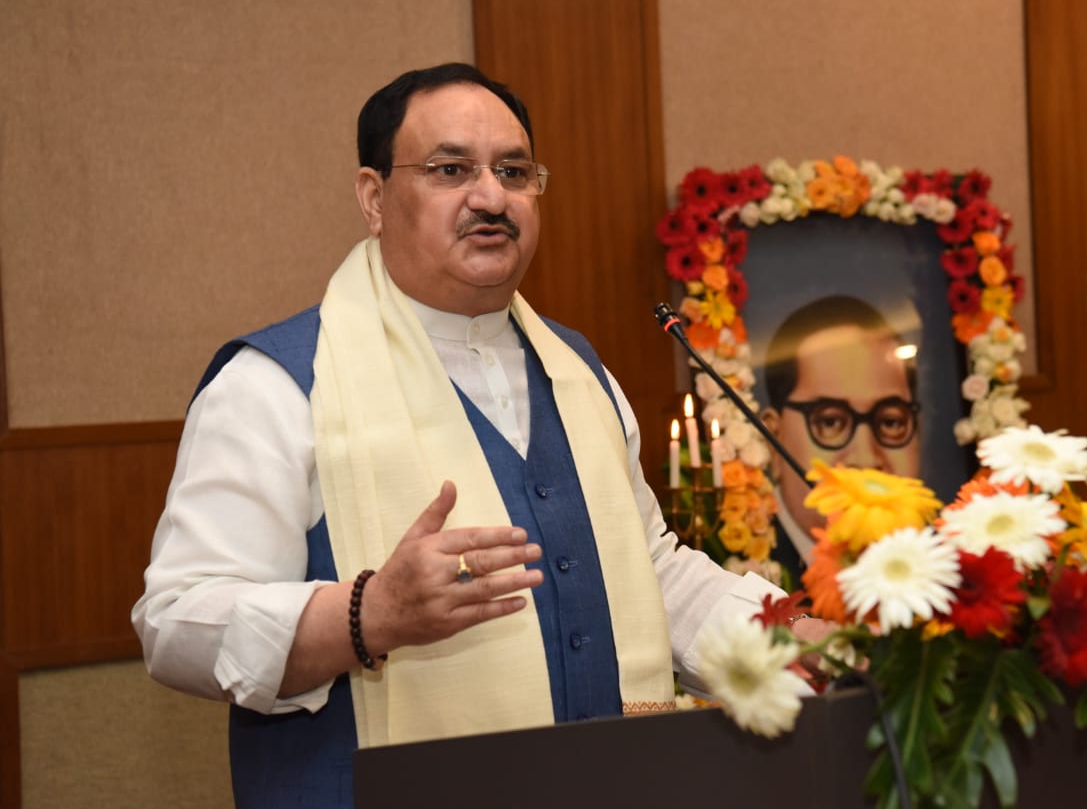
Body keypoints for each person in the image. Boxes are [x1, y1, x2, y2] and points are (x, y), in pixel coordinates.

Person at [132, 63, 826, 808]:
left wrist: (795, 642)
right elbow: (177, 624)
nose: (491, 196)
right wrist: (366, 616)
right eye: (450, 169)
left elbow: (649, 572)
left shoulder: (578, 370)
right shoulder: (274, 384)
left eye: (514, 171)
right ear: (373, 198)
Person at [760, 294, 921, 583]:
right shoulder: (734, 571)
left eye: (890, 421)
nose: (865, 457)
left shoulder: (946, 568)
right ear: (774, 439)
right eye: (830, 421)